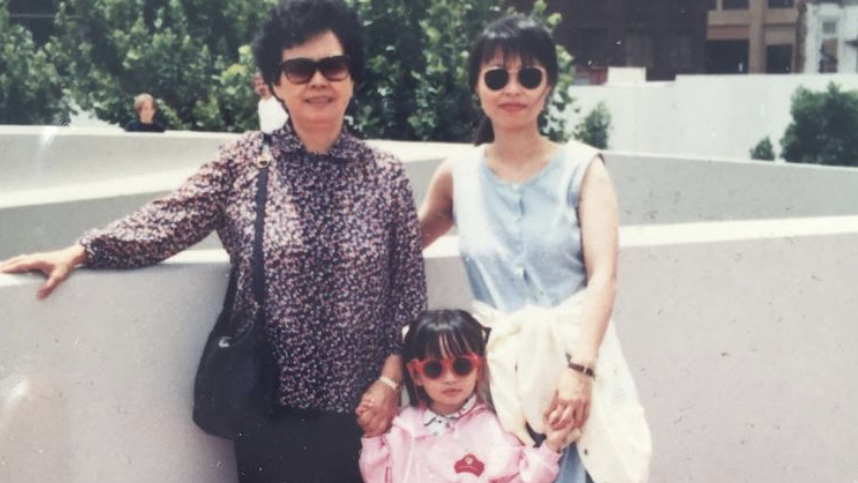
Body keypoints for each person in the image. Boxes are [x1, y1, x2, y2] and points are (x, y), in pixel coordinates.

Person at [0, 0, 426, 482]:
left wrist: (391, 381)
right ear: (278, 82)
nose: (318, 81)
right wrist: (83, 250)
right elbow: (170, 219)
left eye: (333, 65)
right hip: (267, 403)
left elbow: (407, 293)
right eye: (300, 69)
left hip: (361, 409)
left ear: (353, 75)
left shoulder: (385, 175)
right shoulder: (245, 161)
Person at [418, 15, 629, 483]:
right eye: (497, 76)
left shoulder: (583, 168)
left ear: (548, 85)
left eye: (528, 75)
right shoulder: (459, 174)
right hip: (499, 380)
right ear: (477, 86)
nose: (512, 88)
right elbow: (399, 247)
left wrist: (581, 371)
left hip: (575, 370)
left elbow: (604, 277)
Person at [359, 310, 572, 483]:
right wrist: (373, 437)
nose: (450, 378)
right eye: (434, 368)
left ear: (478, 369)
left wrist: (551, 447)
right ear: (416, 375)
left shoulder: (494, 429)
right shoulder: (402, 429)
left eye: (462, 365)